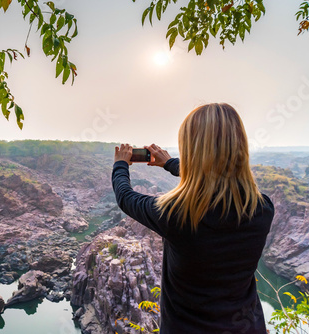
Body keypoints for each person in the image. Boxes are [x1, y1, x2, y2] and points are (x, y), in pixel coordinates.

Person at [112, 103, 275, 334]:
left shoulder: (175, 214)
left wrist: (120, 164)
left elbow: (125, 198)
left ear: (191, 150)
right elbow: (216, 180)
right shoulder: (262, 208)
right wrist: (169, 164)